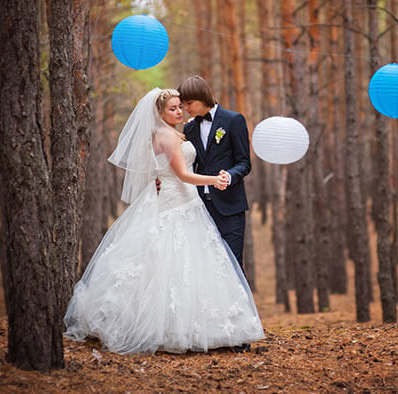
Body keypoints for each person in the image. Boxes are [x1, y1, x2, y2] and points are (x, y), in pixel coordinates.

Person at [64, 88, 264, 355]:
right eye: (173, 108)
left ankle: (207, 325)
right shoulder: (167, 136)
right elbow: (182, 174)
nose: (180, 111)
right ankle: (167, 327)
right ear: (159, 113)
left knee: (195, 265)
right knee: (168, 262)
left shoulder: (181, 131)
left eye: (181, 106)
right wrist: (215, 179)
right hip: (176, 202)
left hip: (189, 204)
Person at [178, 76, 251, 273]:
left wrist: (229, 175)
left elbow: (244, 162)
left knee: (232, 267)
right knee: (206, 270)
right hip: (199, 208)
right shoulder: (189, 128)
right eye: (183, 104)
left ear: (202, 97)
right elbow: (187, 164)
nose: (185, 108)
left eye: (189, 103)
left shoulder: (233, 120)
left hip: (230, 208)